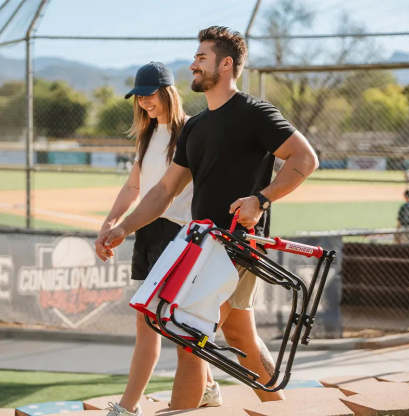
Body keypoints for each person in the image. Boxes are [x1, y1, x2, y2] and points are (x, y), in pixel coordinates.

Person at [100, 26, 318, 410]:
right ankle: (281, 408)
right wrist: (123, 227)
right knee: (240, 336)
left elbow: (305, 158)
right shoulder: (196, 127)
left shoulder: (254, 113)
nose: (193, 65)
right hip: (205, 247)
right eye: (195, 57)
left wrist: (261, 200)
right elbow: (164, 191)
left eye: (202, 58)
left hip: (238, 247)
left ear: (226, 64)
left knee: (190, 337)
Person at [94, 62, 221, 416]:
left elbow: (178, 191)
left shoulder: (190, 131)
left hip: (179, 234)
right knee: (168, 320)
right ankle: (209, 388)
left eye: (150, 95)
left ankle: (128, 406)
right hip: (148, 232)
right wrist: (110, 221)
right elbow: (133, 186)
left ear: (168, 92)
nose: (145, 102)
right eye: (139, 97)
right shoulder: (148, 135)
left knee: (152, 321)